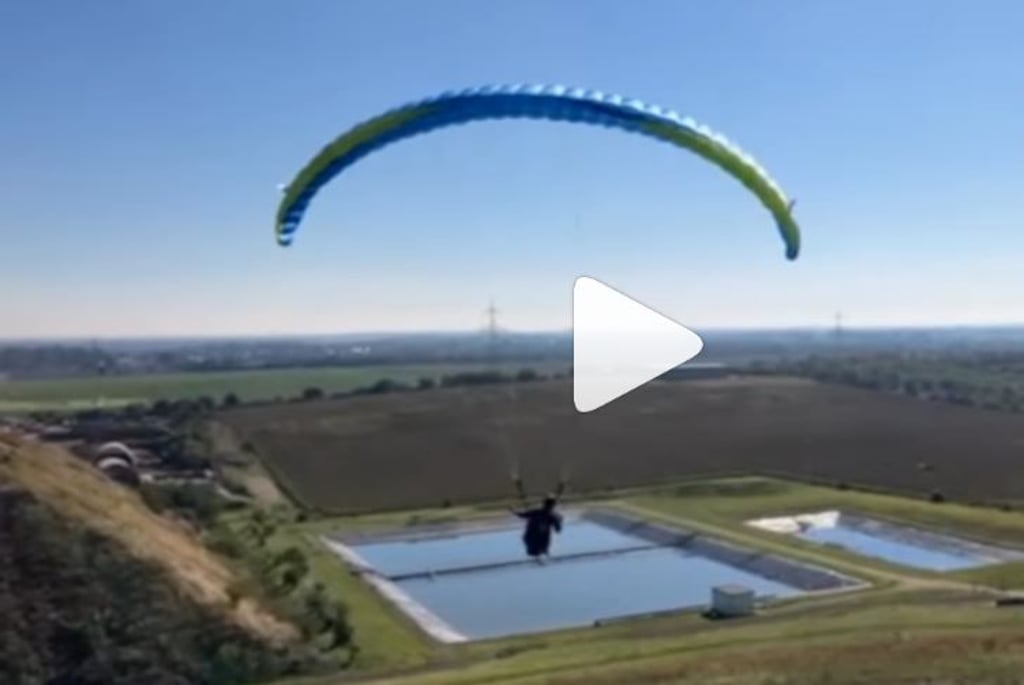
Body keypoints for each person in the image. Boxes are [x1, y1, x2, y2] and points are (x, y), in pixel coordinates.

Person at [512, 493, 563, 561]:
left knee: (537, 552)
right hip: (539, 541)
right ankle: (542, 554)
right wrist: (559, 520)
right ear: (553, 506)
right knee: (542, 551)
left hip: (529, 539)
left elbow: (521, 515)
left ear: (544, 504)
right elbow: (558, 530)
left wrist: (514, 511)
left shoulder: (536, 512)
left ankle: (540, 554)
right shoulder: (552, 516)